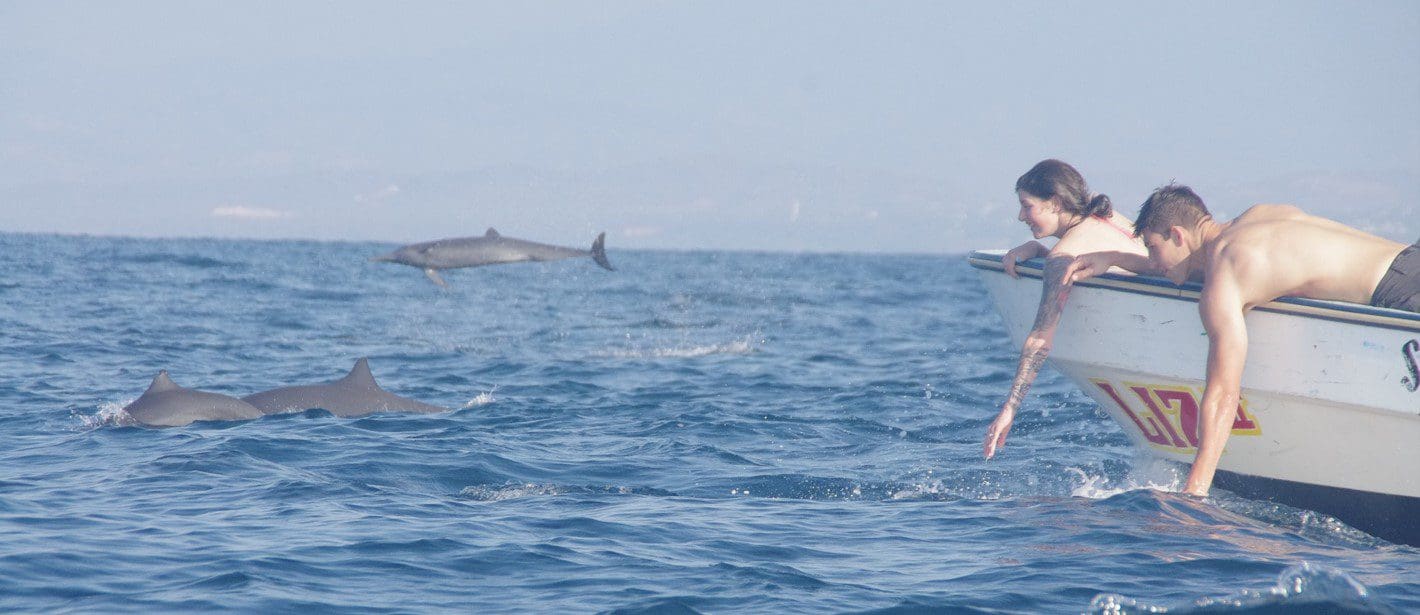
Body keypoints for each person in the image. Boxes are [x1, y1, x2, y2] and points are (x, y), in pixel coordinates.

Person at [1063, 184, 1416, 496]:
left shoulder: (1226, 271)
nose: (1153, 262)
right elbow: (1194, 266)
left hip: (1400, 295)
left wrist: (1195, 491)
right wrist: (1112, 258)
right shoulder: (1255, 218)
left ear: (1177, 234)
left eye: (1153, 248)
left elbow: (1223, 394)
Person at [982, 160, 1148, 460]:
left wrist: (1009, 409)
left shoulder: (1062, 258)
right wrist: (1037, 251)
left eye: (1026, 205)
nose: (1021, 216)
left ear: (1056, 203)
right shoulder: (1106, 217)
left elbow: (1040, 339)